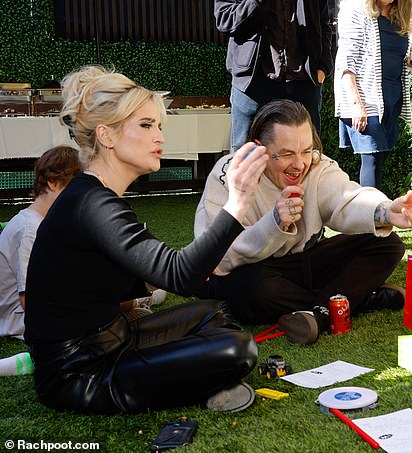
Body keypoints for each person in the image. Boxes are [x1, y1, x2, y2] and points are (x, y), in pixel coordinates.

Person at [23, 65, 269, 415]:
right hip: (79, 374)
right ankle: (204, 383)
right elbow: (180, 276)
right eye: (146, 125)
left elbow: (152, 271)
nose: (160, 138)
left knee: (214, 313)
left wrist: (205, 258)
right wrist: (239, 203)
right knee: (237, 348)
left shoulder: (95, 195)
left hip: (117, 337)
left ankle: (199, 379)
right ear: (107, 136)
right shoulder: (92, 204)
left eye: (158, 126)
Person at [194, 99, 412, 345]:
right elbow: (216, 257)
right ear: (259, 149)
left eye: (307, 150)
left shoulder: (317, 165)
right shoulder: (229, 173)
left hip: (303, 262)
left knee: (387, 243)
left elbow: (346, 197)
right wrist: (274, 223)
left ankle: (321, 311)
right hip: (250, 273)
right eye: (287, 154)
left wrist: (385, 211)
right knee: (251, 288)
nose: (300, 164)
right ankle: (350, 300)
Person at [214, 0, 334, 151]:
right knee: (246, 158)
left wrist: (323, 67)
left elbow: (323, 21)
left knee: (307, 156)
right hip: (253, 86)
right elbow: (225, 19)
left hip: (303, 83)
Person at [0, 146, 81, 340]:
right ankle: (135, 302)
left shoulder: (41, 222)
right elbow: (28, 299)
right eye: (74, 190)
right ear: (52, 183)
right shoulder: (31, 230)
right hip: (19, 319)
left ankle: (134, 300)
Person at [334, 0, 412, 189]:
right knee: (371, 157)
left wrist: (410, 59)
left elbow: (395, 53)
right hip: (365, 97)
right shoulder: (355, 9)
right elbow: (346, 60)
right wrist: (356, 104)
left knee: (379, 157)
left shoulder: (400, 15)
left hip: (391, 97)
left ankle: (368, 210)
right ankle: (371, 212)